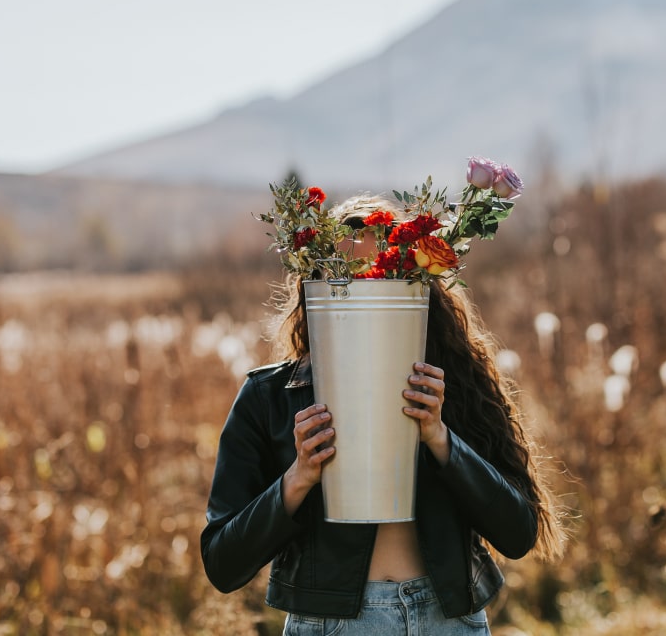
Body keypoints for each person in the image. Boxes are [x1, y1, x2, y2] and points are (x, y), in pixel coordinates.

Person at [201, 195, 564, 635]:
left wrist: (441, 440)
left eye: (384, 277)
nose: (365, 294)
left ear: (418, 288)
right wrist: (297, 479)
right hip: (333, 626)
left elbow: (519, 533)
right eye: (347, 279)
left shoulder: (453, 384)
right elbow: (223, 564)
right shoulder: (270, 396)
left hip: (448, 622)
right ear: (315, 289)